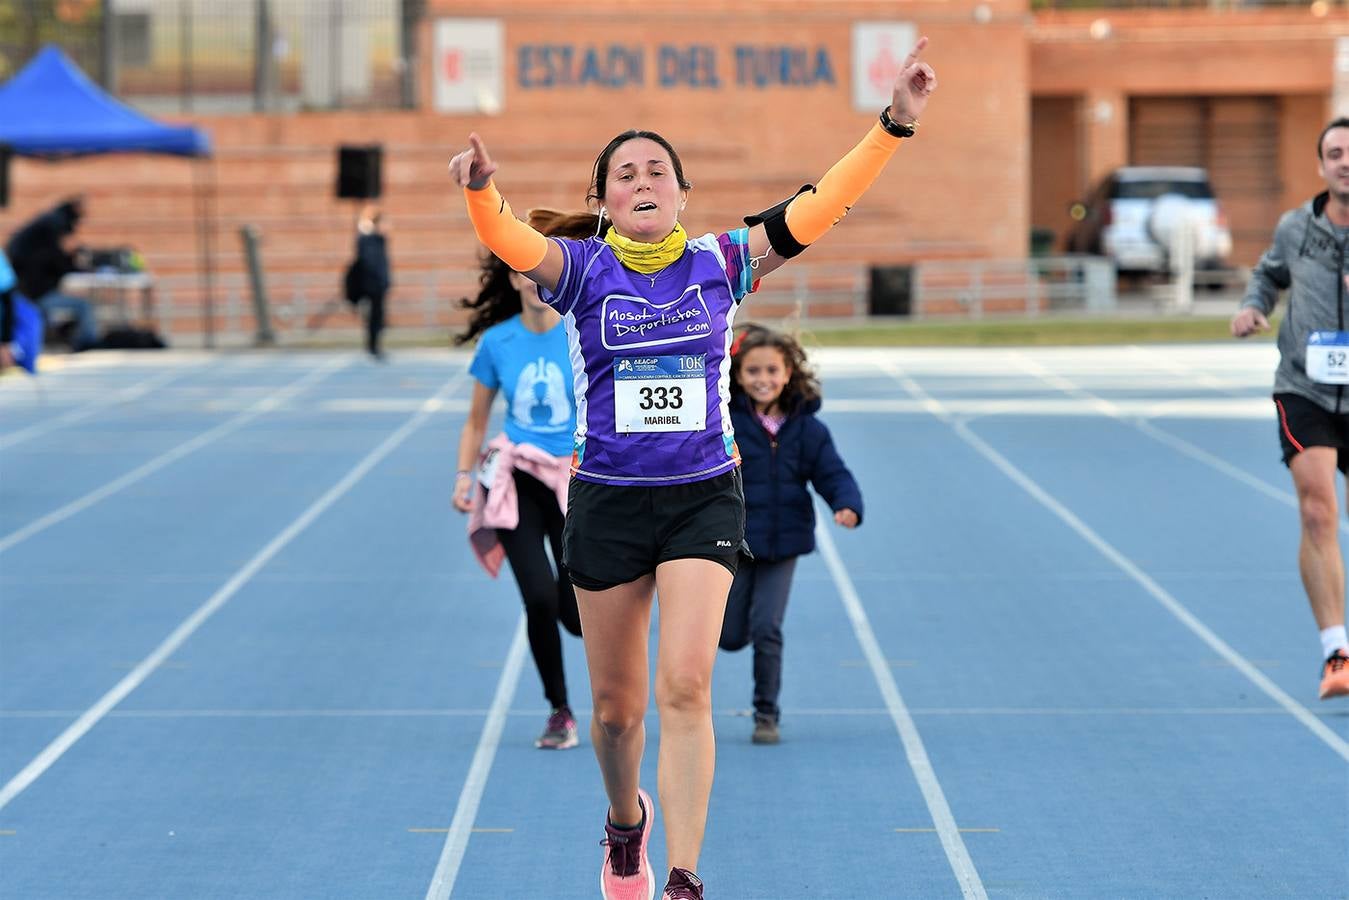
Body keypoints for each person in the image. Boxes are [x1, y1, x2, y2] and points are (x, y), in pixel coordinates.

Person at [448, 37, 936, 900]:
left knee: (686, 684)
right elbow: (511, 240)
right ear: (600, 199)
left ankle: (682, 875)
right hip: (603, 501)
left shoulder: (721, 262)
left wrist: (894, 123)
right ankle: (625, 825)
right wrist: (484, 191)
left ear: (681, 193)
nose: (643, 181)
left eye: (658, 172)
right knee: (614, 712)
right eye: (626, 173)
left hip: (702, 496)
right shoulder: (581, 271)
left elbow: (819, 205)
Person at [452, 208, 595, 750]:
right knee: (537, 598)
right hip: (516, 481)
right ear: (514, 275)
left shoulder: (583, 330)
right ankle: (559, 709)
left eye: (545, 275)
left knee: (577, 615)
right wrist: (465, 476)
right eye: (527, 275)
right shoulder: (497, 343)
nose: (538, 285)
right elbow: (475, 420)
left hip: (577, 481)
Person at [1232, 116, 1349, 701]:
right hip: (1306, 389)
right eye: (1335, 153)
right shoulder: (1295, 228)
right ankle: (1337, 651)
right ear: (1321, 165)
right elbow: (1269, 275)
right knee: (1318, 511)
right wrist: (1254, 307)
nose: (1346, 161)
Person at [718, 325, 862, 745]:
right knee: (728, 636)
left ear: (788, 373)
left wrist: (846, 503)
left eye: (772, 370)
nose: (763, 379)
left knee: (768, 627)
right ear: (738, 375)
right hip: (736, 544)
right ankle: (737, 638)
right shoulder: (727, 424)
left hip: (783, 544)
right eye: (753, 371)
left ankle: (766, 713)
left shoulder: (808, 431)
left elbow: (832, 472)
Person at [4, 196, 97, 351]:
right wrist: (74, 263)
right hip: (38, 296)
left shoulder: (36, 252)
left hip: (31, 293)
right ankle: (87, 343)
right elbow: (59, 264)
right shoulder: (46, 249)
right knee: (84, 306)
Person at [347, 203, 391, 360]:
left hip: (378, 284)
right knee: (373, 317)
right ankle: (372, 347)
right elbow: (371, 262)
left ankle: (374, 346)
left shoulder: (377, 238)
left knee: (377, 317)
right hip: (372, 285)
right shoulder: (367, 238)